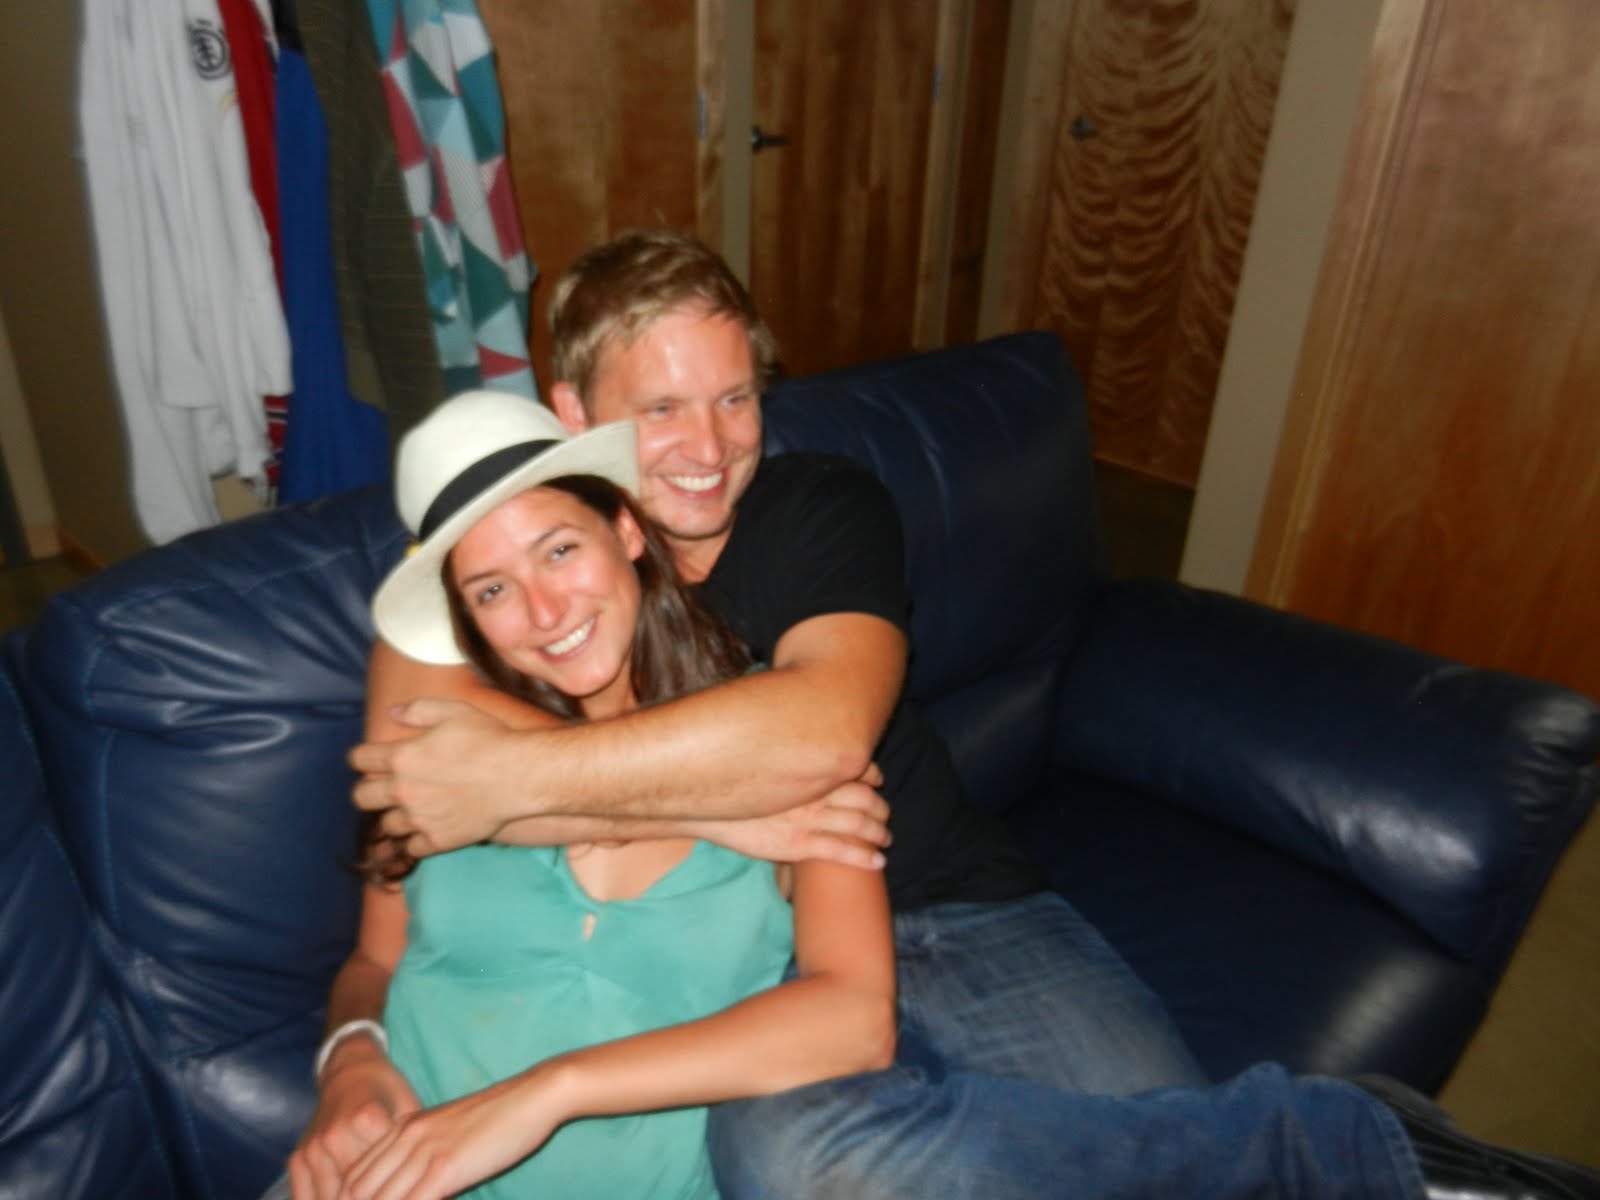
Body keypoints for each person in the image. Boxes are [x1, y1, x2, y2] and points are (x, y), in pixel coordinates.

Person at [329, 230, 1599, 1200]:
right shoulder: (541, 560)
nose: (709, 448)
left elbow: (819, 738)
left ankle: (1368, 1142)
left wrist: (519, 785)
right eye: (659, 408)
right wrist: (720, 812)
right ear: (575, 420)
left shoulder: (818, 508)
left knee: (1169, 1165)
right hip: (767, 959)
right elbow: (419, 768)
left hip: (952, 905)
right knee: (785, 1154)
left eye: (737, 396)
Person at [282, 392, 894, 1199]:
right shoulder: (442, 756)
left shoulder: (777, 741)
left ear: (628, 530)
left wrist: (549, 1093)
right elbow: (373, 961)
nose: (544, 611)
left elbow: (857, 1019)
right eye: (492, 590)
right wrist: (350, 1057)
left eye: (560, 550)